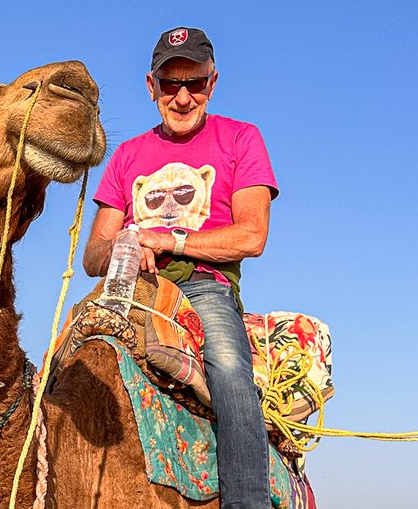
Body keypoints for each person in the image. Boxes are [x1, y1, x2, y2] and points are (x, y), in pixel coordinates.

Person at [82, 26, 278, 509]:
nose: (184, 97)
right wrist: (127, 241)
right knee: (63, 367)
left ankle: (246, 503)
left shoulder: (240, 138)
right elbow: (92, 256)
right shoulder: (126, 156)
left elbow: (252, 236)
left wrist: (167, 238)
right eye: (172, 84)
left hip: (202, 285)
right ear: (152, 87)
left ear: (213, 83)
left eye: (195, 83)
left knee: (231, 370)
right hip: (127, 284)